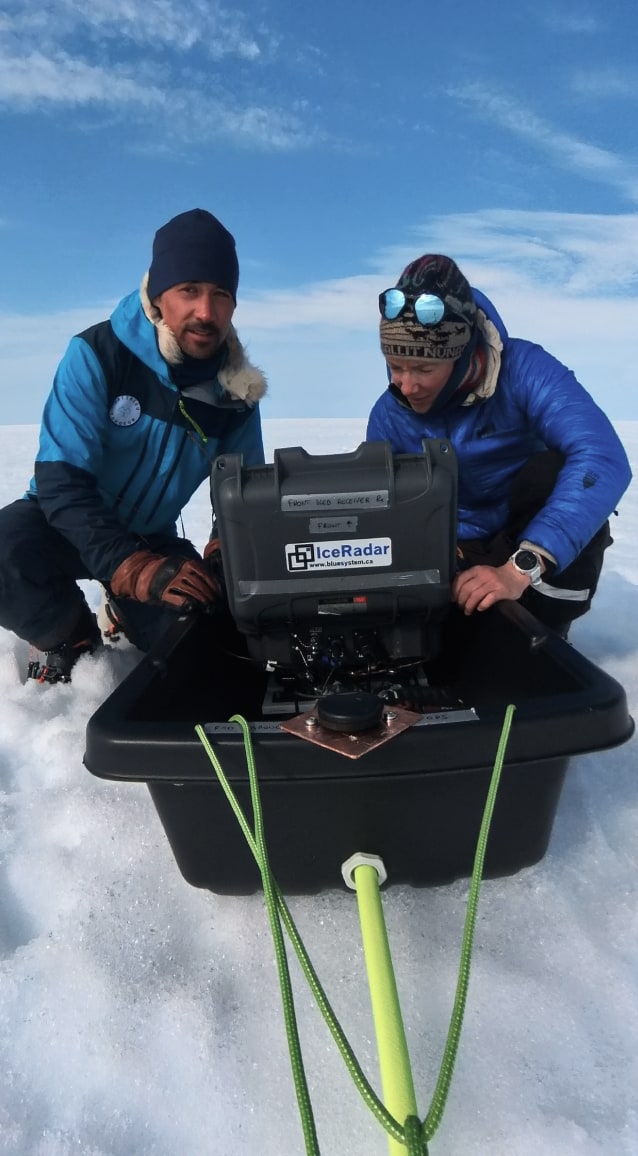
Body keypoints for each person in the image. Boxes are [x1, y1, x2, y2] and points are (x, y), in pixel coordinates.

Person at [0, 208, 267, 682]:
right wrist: (132, 566)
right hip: (62, 522)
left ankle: (129, 612)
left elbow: (243, 502)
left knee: (207, 641)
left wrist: (224, 569)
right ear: (159, 294)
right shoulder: (97, 355)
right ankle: (69, 635)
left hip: (152, 538)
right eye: (189, 290)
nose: (205, 312)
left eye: (220, 294)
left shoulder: (236, 394)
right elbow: (61, 482)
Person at [368, 253, 632, 637]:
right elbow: (379, 510)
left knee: (552, 473)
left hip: (524, 543)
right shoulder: (389, 412)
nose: (407, 386)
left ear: (459, 357)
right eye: (396, 366)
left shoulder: (525, 370)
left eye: (424, 369)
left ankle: (547, 632)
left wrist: (520, 567)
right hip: (448, 550)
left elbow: (603, 457)